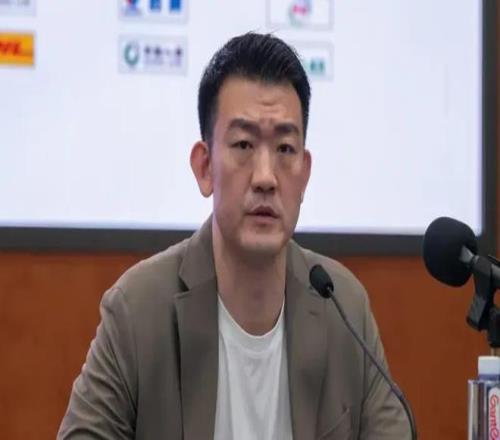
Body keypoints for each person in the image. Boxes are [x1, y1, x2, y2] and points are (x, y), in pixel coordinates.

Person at [58, 32, 409, 439]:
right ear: (205, 167)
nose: (265, 177)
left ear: (304, 173)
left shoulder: (343, 307)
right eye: (243, 144)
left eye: (285, 149)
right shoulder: (138, 310)